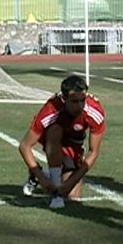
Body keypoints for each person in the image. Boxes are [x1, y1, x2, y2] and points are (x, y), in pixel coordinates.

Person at [18, 75, 105, 209]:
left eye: (83, 100)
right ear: (64, 100)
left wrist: (71, 183)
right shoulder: (51, 111)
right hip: (53, 138)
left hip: (74, 143)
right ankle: (54, 192)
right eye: (74, 102)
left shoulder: (94, 111)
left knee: (72, 197)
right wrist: (44, 182)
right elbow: (25, 146)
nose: (80, 105)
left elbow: (93, 152)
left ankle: (43, 176)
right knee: (55, 130)